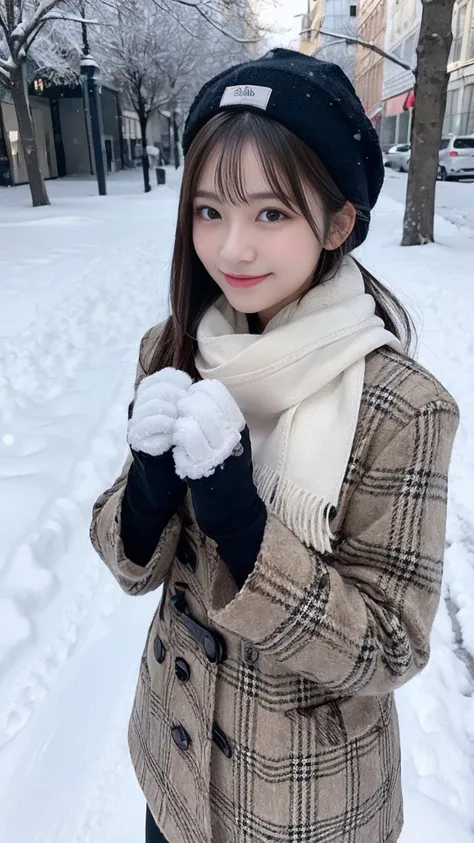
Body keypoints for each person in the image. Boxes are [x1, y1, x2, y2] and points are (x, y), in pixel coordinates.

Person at [89, 49, 459, 843]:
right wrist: (148, 491)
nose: (231, 251)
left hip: (307, 810)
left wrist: (248, 531)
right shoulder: (176, 348)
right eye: (209, 211)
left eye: (270, 213)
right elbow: (128, 566)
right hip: (173, 771)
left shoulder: (404, 407)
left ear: (337, 222)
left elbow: (390, 648)